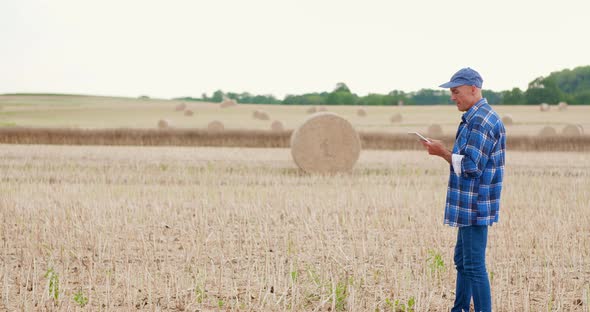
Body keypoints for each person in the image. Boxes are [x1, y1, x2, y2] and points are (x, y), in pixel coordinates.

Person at [421, 67, 506, 312]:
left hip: (474, 203)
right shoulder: (476, 116)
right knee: (463, 260)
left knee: (474, 265)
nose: (452, 96)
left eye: (455, 91)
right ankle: (458, 309)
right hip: (471, 202)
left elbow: (470, 166)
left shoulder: (480, 120)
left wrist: (441, 153)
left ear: (473, 89)